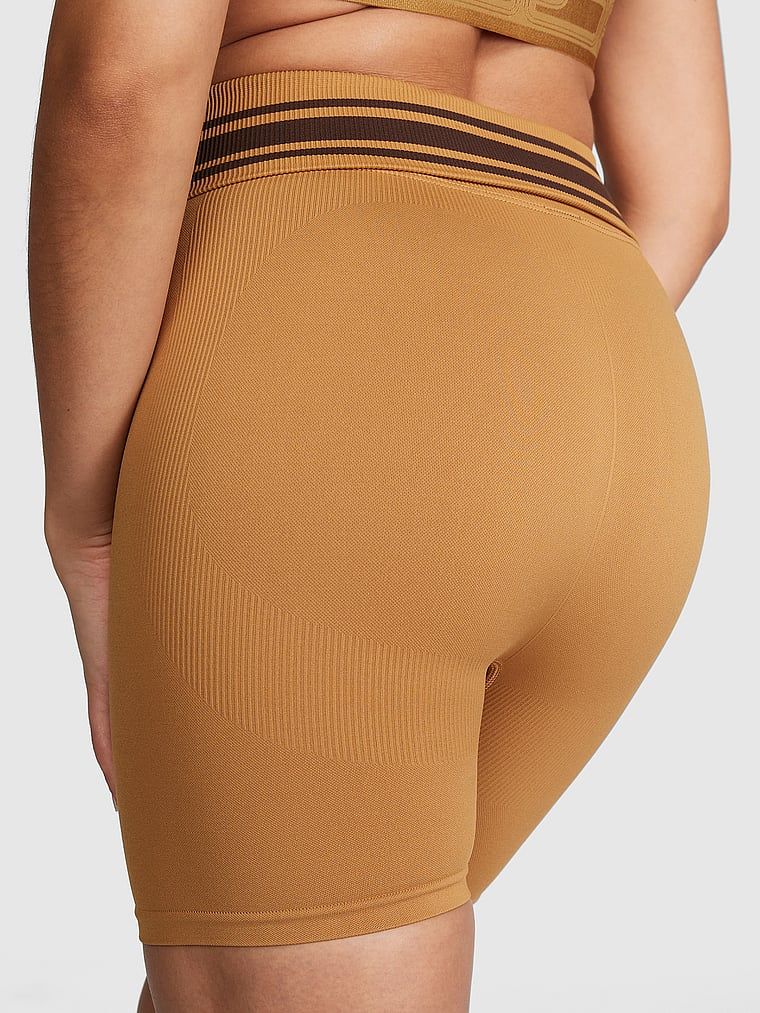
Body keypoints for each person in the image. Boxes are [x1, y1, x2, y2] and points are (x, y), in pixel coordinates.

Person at [28, 1, 729, 1010]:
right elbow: (689, 191)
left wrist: (86, 526)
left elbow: (122, 86)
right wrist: (511, 399)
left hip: (330, 346)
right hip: (612, 385)